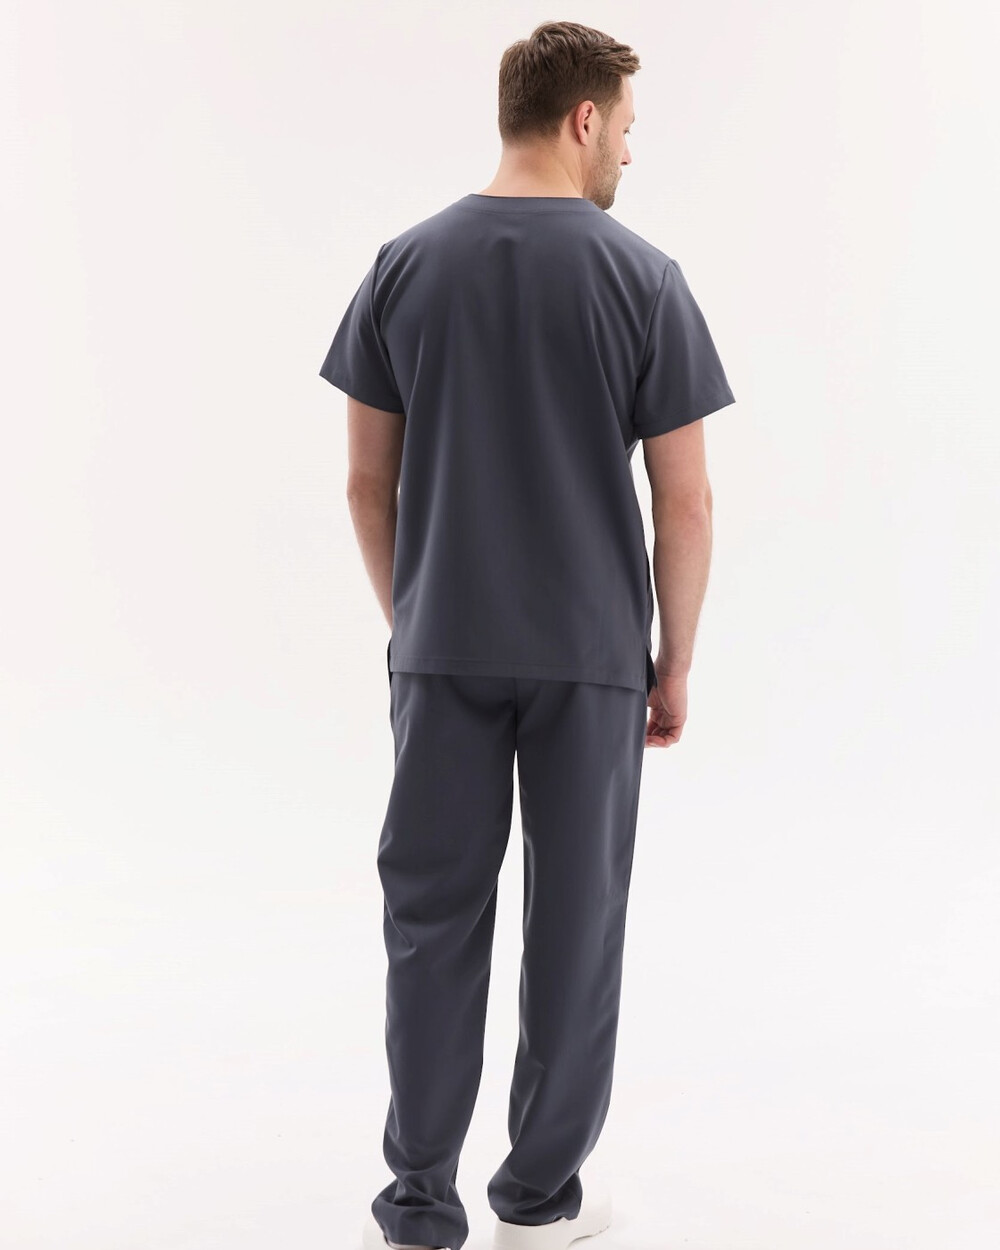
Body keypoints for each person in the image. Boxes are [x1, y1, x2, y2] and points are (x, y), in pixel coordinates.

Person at [318, 21, 735, 1250]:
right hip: (589, 652)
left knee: (430, 914)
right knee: (575, 919)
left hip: (442, 642)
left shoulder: (403, 265)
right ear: (582, 118)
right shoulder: (643, 278)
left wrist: (417, 617)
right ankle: (538, 1197)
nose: (628, 153)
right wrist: (674, 661)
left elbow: (366, 484)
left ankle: (419, 1202)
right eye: (626, 128)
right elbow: (686, 500)